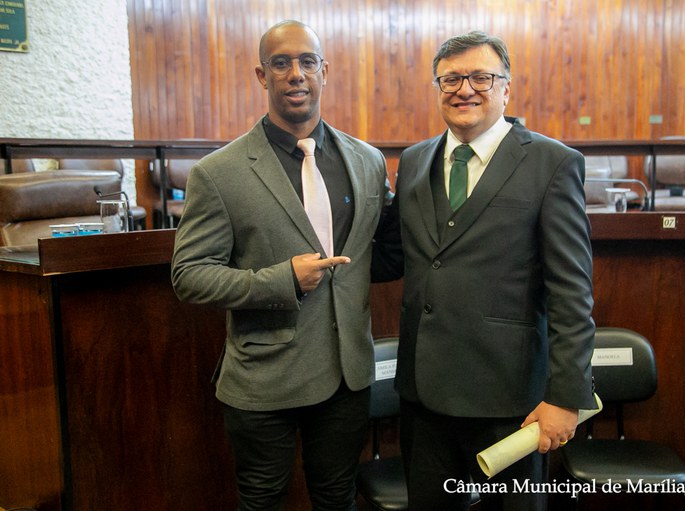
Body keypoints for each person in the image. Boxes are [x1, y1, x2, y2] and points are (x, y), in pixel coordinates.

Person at [171, 20, 399, 511]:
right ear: (262, 75)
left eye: (307, 62)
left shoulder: (367, 160)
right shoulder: (219, 172)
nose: (296, 74)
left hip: (346, 374)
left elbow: (379, 251)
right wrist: (284, 280)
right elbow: (189, 275)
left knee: (338, 499)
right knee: (262, 501)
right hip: (264, 377)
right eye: (281, 63)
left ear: (324, 72)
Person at [392, 31, 596, 510]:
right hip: (424, 397)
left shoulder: (553, 163)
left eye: (481, 78)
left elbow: (571, 292)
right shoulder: (415, 160)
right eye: (451, 79)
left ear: (506, 87)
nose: (464, 89)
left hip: (510, 402)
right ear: (437, 88)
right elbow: (403, 255)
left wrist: (566, 397)